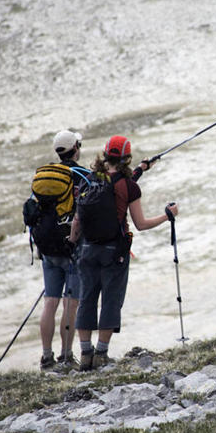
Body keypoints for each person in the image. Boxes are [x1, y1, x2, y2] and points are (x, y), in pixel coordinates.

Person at [69, 135, 178, 371]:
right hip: (114, 251)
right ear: (126, 157)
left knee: (86, 299)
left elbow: (77, 220)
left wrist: (72, 242)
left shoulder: (88, 179)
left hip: (86, 250)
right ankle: (101, 355)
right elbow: (141, 224)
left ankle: (85, 355)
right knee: (110, 300)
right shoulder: (129, 187)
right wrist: (168, 215)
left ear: (105, 154)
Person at [38, 130, 86, 370]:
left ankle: (46, 356)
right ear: (76, 148)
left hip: (47, 250)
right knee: (70, 303)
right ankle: (66, 356)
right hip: (72, 249)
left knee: (50, 302)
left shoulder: (46, 177)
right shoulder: (82, 175)